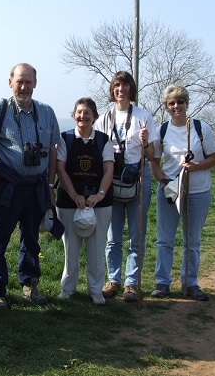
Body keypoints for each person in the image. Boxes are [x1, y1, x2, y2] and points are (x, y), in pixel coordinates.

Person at [0, 63, 60, 310]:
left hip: (36, 186)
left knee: (32, 240)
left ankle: (29, 286)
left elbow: (53, 150)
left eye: (28, 82)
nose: (23, 87)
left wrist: (49, 184)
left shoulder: (46, 112)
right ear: (10, 82)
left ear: (35, 84)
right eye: (19, 81)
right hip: (7, 186)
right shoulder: (0, 109)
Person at [149, 85, 215, 301]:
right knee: (165, 239)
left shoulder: (200, 128)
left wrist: (196, 166)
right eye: (171, 103)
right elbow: (154, 160)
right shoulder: (162, 130)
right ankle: (162, 283)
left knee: (192, 241)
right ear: (166, 106)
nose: (176, 106)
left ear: (187, 103)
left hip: (197, 191)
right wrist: (162, 181)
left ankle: (190, 283)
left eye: (180, 102)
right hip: (170, 192)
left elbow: (214, 158)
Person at [95, 71, 157, 302]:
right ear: (112, 89)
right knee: (113, 236)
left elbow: (151, 155)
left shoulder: (143, 116)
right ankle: (114, 280)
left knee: (136, 234)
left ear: (131, 88)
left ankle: (132, 284)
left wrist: (144, 141)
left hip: (138, 177)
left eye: (125, 85)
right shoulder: (104, 118)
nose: (121, 89)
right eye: (117, 85)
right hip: (112, 178)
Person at [56, 98, 114, 305]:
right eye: (79, 112)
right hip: (69, 201)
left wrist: (99, 194)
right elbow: (60, 169)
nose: (83, 116)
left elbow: (109, 169)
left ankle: (96, 290)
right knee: (71, 246)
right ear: (74, 115)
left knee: (97, 247)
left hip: (100, 202)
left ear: (94, 117)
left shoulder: (103, 140)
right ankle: (68, 288)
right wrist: (74, 195)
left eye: (87, 113)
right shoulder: (65, 139)